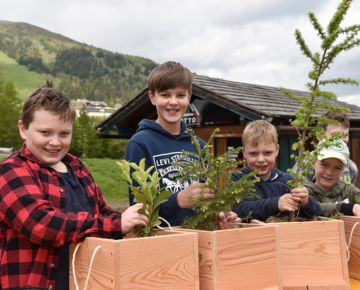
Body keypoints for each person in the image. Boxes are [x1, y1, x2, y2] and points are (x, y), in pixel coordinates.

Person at [0, 82, 148, 290]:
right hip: (35, 284)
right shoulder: (11, 171)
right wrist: (116, 224)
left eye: (64, 134)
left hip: (81, 281)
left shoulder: (77, 167)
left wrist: (130, 219)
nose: (55, 142)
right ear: (23, 129)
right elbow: (41, 224)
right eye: (45, 133)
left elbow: (101, 213)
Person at [125, 61, 238, 226]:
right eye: (165, 95)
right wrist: (177, 200)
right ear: (152, 97)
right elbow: (138, 208)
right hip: (160, 240)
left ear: (189, 96)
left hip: (199, 236)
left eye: (180, 95)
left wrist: (218, 213)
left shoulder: (198, 145)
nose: (173, 101)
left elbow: (205, 196)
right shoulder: (140, 144)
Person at [232, 120, 320, 221]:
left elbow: (315, 211)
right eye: (253, 154)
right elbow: (238, 209)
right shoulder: (237, 179)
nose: (261, 160)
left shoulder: (287, 180)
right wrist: (276, 204)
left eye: (267, 153)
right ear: (244, 153)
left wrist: (306, 201)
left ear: (277, 150)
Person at [292, 111, 358, 184]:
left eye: (345, 135)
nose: (341, 140)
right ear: (320, 136)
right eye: (335, 135)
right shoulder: (306, 163)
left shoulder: (351, 167)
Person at [305, 139, 360, 217]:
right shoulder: (305, 192)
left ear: (343, 169)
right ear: (314, 162)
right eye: (324, 165)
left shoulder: (350, 191)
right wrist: (348, 208)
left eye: (337, 168)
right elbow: (309, 206)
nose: (329, 172)